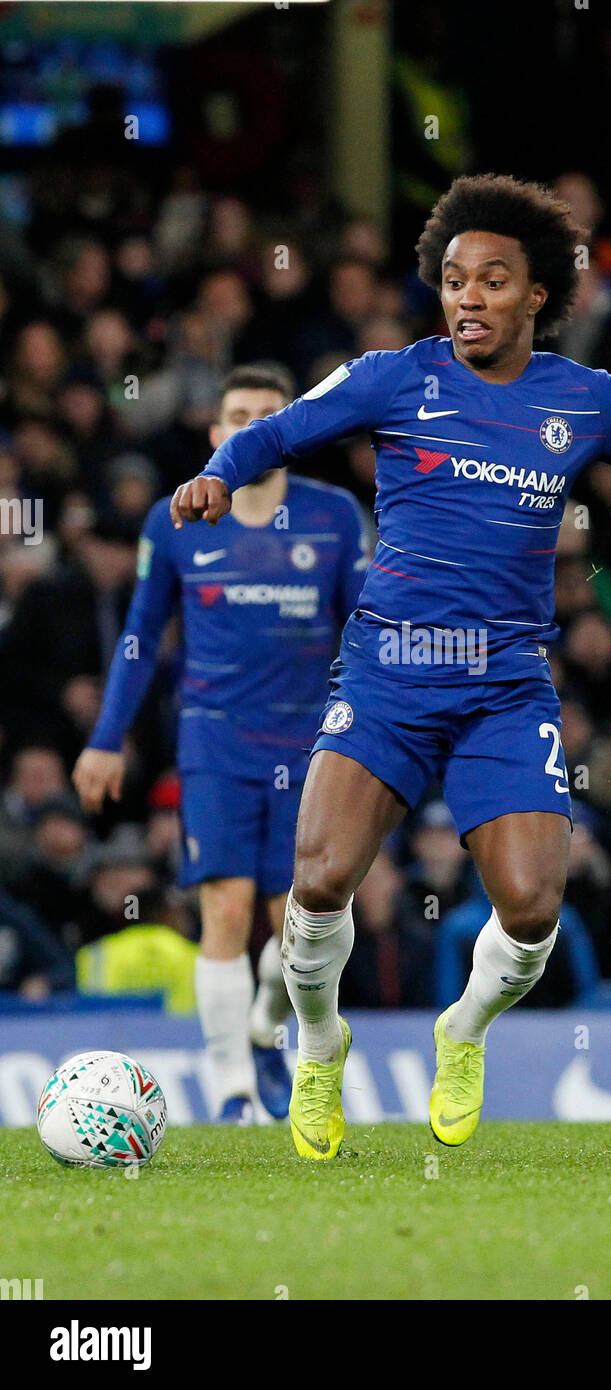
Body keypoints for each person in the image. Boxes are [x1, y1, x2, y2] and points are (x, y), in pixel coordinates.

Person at [170, 174, 611, 1160]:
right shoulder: (392, 378)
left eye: (491, 280)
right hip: (390, 672)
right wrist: (216, 476)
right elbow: (274, 431)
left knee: (530, 908)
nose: (468, 297)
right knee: (314, 886)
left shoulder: (586, 401)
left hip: (502, 683)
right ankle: (317, 1044)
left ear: (537, 295)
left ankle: (462, 1031)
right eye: (452, 280)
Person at [73, 364, 369, 1123]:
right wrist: (107, 739)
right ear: (216, 432)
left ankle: (271, 1026)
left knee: (300, 924)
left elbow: (366, 632)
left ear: (290, 431)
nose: (250, 426)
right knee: (226, 913)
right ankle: (233, 1090)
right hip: (215, 737)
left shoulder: (334, 517)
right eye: (237, 414)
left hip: (313, 745)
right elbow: (141, 637)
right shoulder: (176, 518)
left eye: (269, 414)